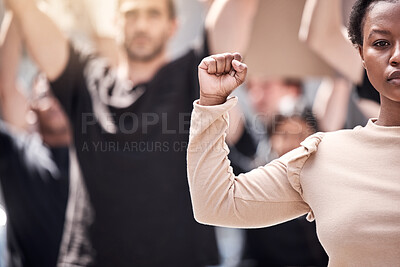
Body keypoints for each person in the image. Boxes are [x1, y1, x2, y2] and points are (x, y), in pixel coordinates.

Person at [3, 0, 258, 266]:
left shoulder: (197, 78)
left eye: (153, 14)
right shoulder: (86, 82)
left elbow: (241, 7)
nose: (141, 24)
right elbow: (24, 9)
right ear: (116, 23)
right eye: (131, 14)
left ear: (173, 26)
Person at [187, 0, 400, 266]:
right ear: (360, 56)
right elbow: (216, 203)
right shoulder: (324, 155)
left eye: (266, 84)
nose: (397, 55)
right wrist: (211, 102)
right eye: (381, 43)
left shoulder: (319, 123)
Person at [0, 11, 71, 267]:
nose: (52, 100)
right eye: (43, 94)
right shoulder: (16, 152)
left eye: (59, 92)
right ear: (30, 106)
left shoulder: (98, 152)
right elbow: (5, 87)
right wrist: (19, 10)